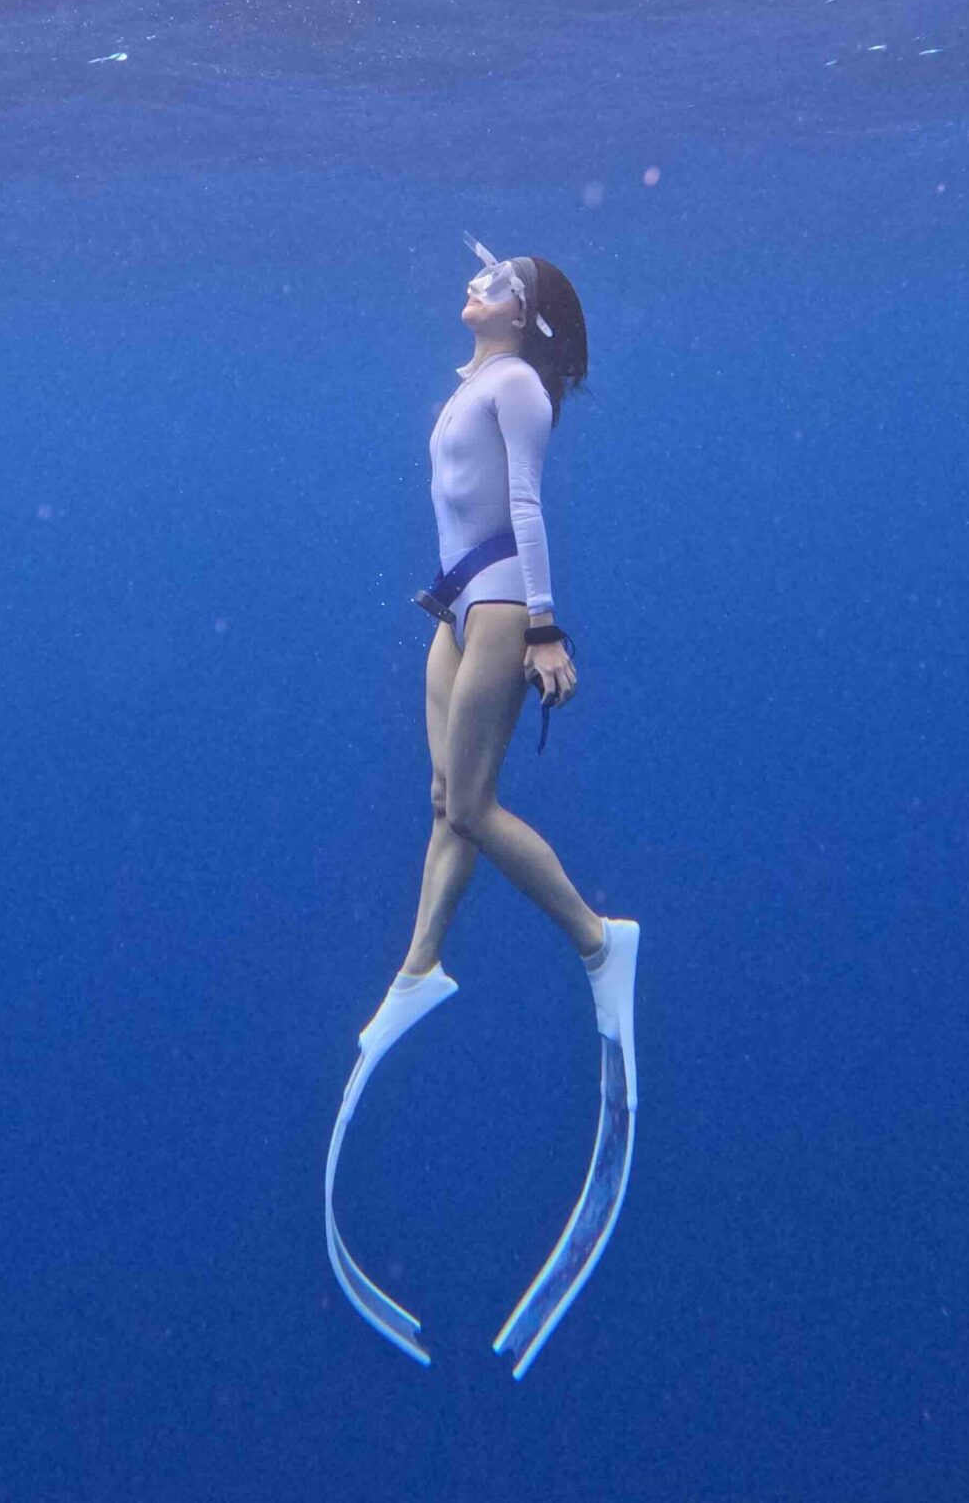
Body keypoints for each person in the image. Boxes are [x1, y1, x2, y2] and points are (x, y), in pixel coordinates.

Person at [323, 237, 641, 1378]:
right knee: (444, 802)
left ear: (526, 315)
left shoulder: (514, 384)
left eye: (501, 276)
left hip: (504, 599)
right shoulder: (477, 377)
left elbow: (521, 500)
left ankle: (600, 943)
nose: (478, 280)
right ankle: (417, 969)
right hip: (454, 601)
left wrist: (545, 623)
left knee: (473, 800)